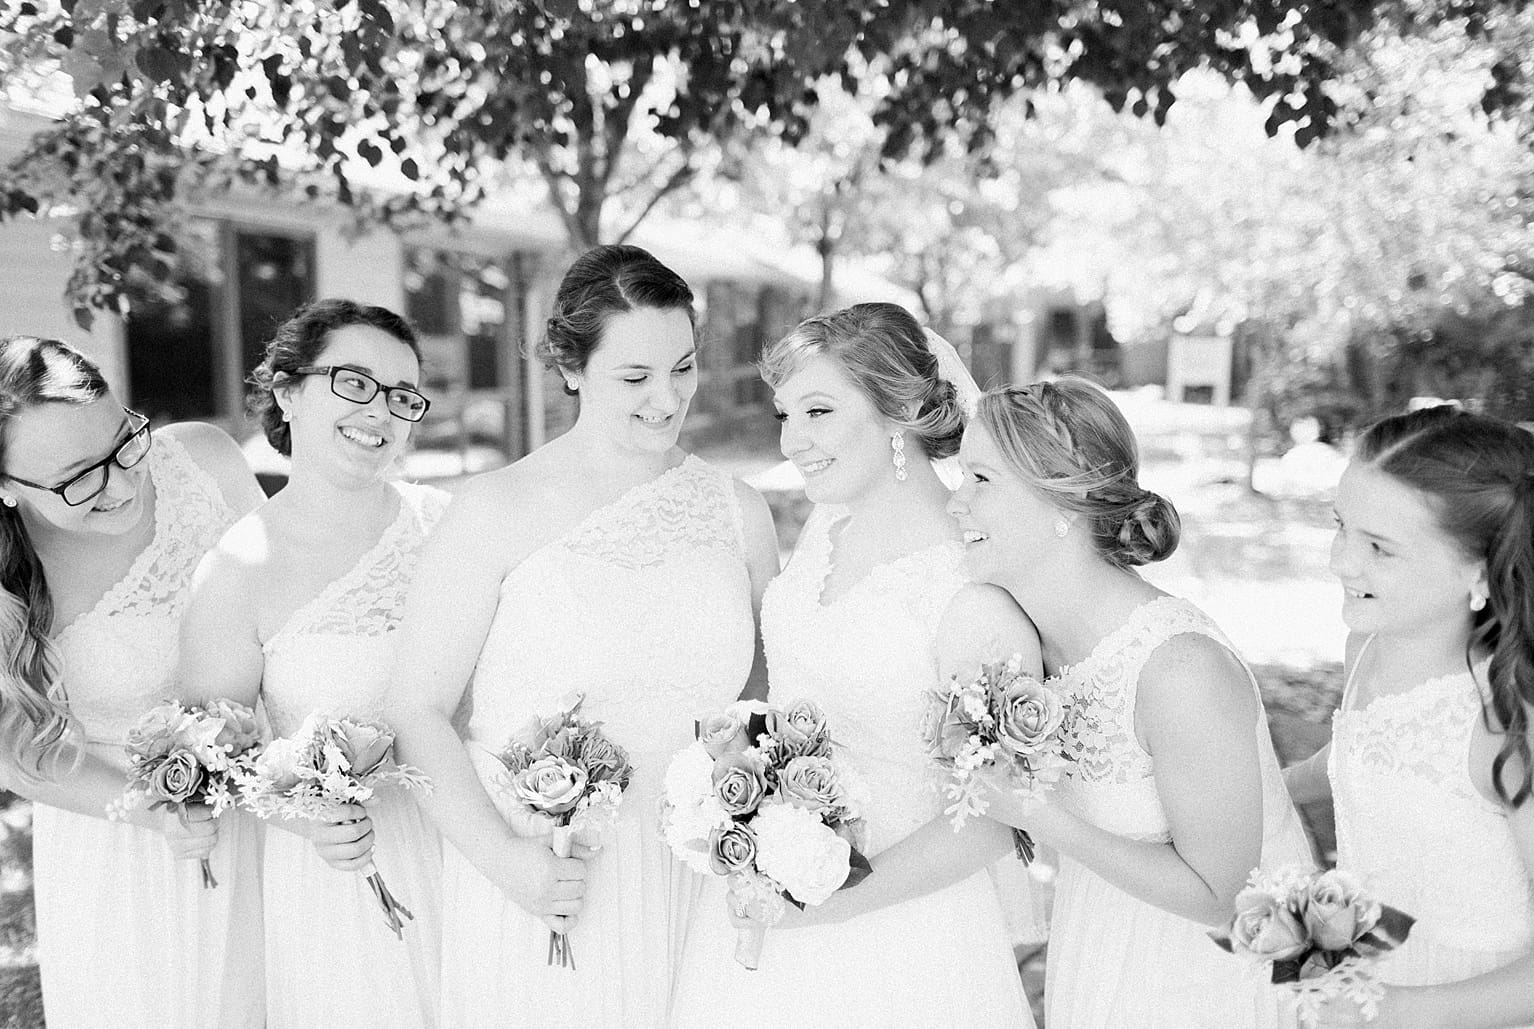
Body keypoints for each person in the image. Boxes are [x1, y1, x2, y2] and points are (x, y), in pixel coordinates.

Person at [386, 244, 779, 1027]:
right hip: (552, 878)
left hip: (704, 879)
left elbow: (764, 695)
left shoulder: (739, 510)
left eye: (683, 367)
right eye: (633, 377)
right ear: (570, 365)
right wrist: (507, 863)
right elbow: (416, 710)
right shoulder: (493, 509)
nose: (666, 399)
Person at [670, 302, 1038, 1028]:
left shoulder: (969, 580)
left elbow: (1002, 819)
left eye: (817, 411)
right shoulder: (827, 526)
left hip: (904, 936)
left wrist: (825, 904)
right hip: (767, 910)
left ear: (897, 409)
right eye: (784, 414)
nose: (791, 440)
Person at [950, 377, 1310, 1028]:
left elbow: (1219, 893)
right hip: (1102, 952)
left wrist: (1038, 815)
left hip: (1211, 984)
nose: (956, 504)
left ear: (1065, 500)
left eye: (980, 478)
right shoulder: (1029, 649)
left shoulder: (1178, 669)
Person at [177, 300, 448, 1027]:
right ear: (289, 390)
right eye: (355, 382)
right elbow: (208, 750)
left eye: (401, 395)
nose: (381, 412)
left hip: (470, 851)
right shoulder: (239, 566)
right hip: (342, 876)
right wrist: (301, 812)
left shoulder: (450, 527)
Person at [0, 335, 265, 1028]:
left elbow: (293, 608)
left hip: (272, 813)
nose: (121, 484)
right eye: (77, 477)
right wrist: (152, 809)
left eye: (125, 442)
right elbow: (17, 752)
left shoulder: (203, 460)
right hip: (118, 838)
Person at [1285, 405, 1534, 1028]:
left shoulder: (1509, 721)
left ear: (1478, 571)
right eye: (1341, 526)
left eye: (1380, 548)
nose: (1341, 563)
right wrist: (1267, 791)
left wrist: (1397, 1012)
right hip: (1364, 979)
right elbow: (1364, 760)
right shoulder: (1369, 647)